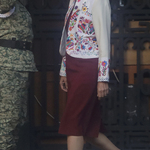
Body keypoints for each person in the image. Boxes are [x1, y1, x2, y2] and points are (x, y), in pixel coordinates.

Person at [59, 0, 120, 150]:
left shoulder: (99, 1)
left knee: (74, 122)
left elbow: (104, 42)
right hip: (73, 64)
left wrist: (103, 78)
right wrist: (63, 70)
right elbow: (69, 37)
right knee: (88, 130)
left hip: (88, 66)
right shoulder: (73, 1)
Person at [0, 0, 37, 149]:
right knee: (7, 121)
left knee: (17, 120)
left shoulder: (20, 5)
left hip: (19, 65)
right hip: (8, 66)